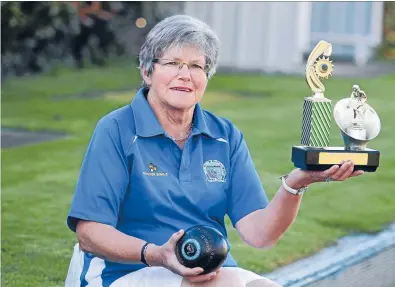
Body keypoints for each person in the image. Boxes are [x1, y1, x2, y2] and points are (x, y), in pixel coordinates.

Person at [65, 14, 364, 287]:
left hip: (211, 274)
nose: (185, 75)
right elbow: (89, 233)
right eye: (173, 64)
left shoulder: (225, 136)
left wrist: (297, 182)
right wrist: (158, 254)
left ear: (207, 77)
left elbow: (260, 235)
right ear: (147, 71)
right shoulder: (116, 129)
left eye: (197, 66)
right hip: (126, 271)